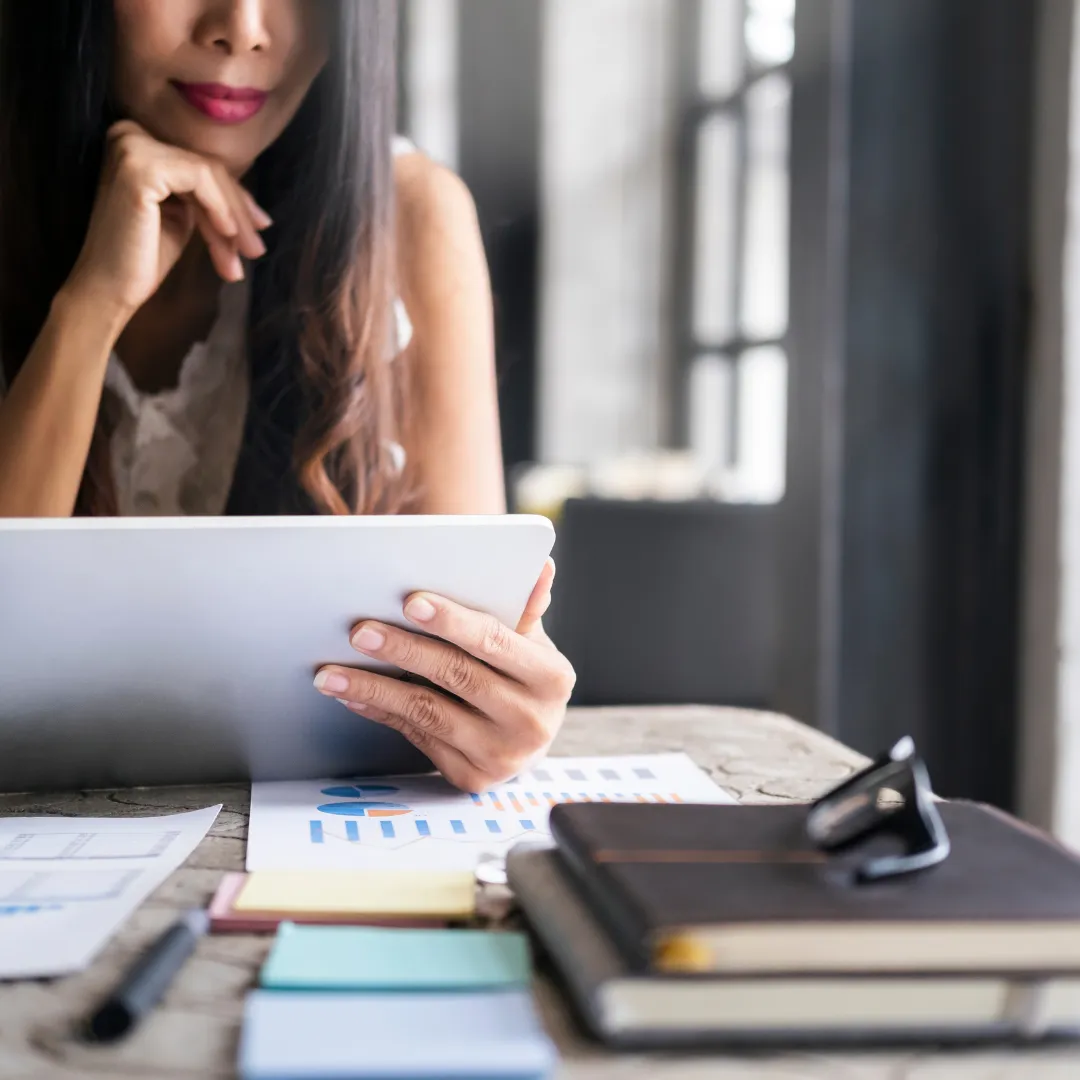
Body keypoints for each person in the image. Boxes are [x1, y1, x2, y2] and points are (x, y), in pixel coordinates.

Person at [0, 0, 575, 791]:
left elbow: (472, 655)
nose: (242, 26)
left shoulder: (412, 218)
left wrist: (497, 713)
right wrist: (89, 309)